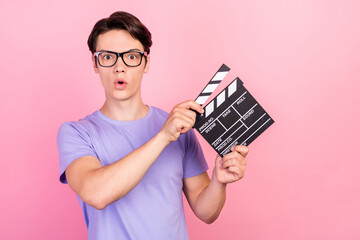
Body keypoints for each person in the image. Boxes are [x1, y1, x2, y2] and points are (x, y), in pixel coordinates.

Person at [57, 11, 249, 240]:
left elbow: (205, 211)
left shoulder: (180, 129)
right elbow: (96, 193)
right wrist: (163, 137)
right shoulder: (76, 133)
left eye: (131, 56)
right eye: (108, 57)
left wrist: (219, 181)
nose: (120, 67)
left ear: (146, 62)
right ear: (95, 64)